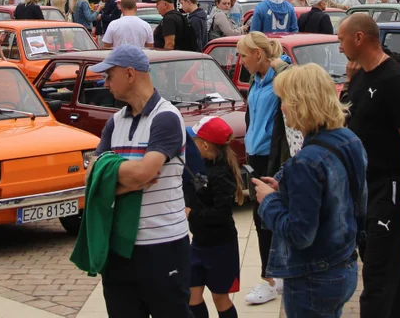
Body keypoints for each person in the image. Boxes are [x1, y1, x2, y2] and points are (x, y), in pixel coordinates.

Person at [252, 63, 366, 318]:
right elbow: (354, 201)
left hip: (313, 276)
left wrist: (268, 201)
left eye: (284, 101)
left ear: (301, 102)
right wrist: (288, 188)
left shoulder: (305, 162)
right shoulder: (350, 139)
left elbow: (300, 234)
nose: (281, 108)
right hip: (343, 263)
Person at [89, 45, 192, 317]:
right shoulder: (115, 122)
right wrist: (126, 182)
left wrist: (111, 178)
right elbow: (92, 175)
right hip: (120, 248)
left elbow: (144, 173)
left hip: (163, 246)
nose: (105, 82)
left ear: (130, 74)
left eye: (110, 75)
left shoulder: (166, 118)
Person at [337, 14, 400, 317]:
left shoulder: (394, 80)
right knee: (390, 271)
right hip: (365, 189)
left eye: (341, 39)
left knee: (376, 277)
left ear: (359, 38)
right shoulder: (360, 76)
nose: (339, 47)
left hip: (390, 189)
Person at [238, 31, 292, 305]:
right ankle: (274, 276)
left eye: (244, 55)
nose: (241, 60)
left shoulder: (283, 77)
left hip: (274, 159)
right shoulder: (255, 78)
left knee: (269, 218)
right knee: (262, 220)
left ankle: (271, 279)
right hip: (255, 157)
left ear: (258, 54)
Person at [186, 115, 245, 318]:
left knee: (220, 298)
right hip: (199, 243)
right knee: (192, 296)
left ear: (204, 145)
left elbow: (221, 214)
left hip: (221, 246)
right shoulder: (200, 166)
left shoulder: (221, 173)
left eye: (193, 141)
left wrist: (192, 213)